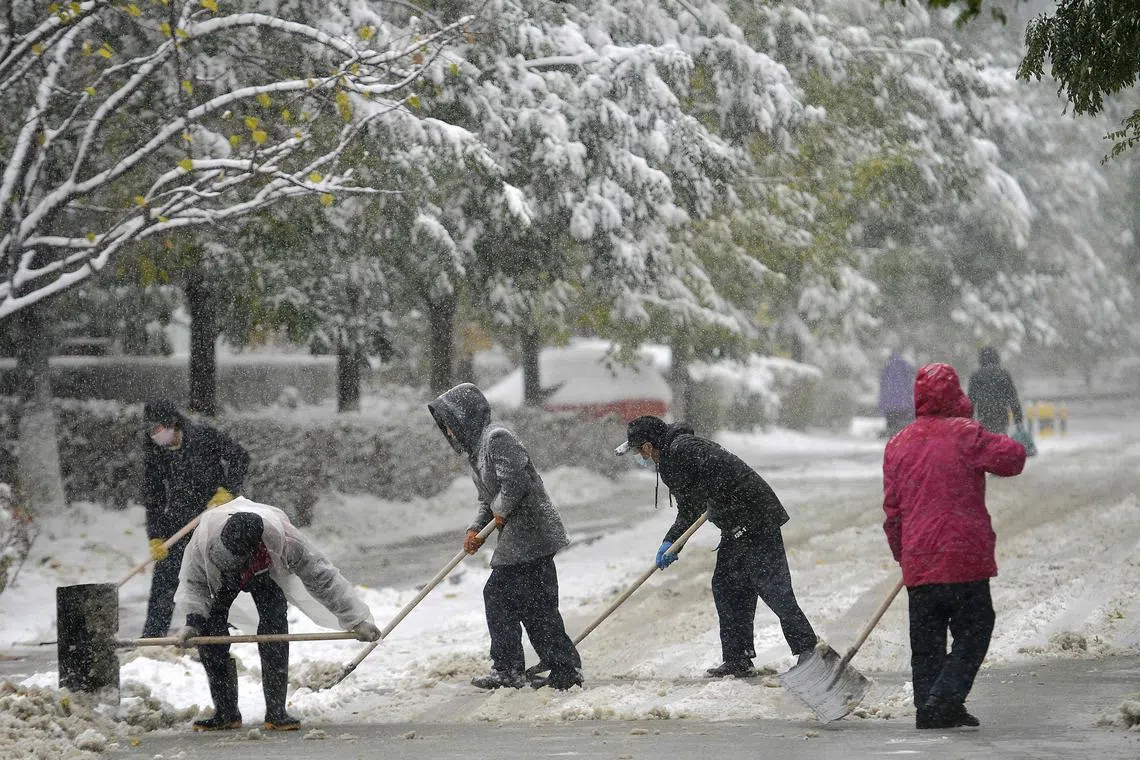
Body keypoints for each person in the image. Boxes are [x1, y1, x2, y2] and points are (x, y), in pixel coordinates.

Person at [615, 415, 819, 678]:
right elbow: (689, 508)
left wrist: (717, 497)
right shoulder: (670, 459)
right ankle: (737, 659)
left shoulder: (684, 447)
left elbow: (722, 470)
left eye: (637, 451)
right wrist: (672, 542)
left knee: (772, 587)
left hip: (756, 519)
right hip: (736, 526)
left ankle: (809, 651)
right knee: (727, 585)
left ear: (647, 446)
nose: (639, 457)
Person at [882, 363, 1026, 730]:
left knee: (926, 641)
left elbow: (893, 511)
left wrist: (905, 555)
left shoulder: (898, 444)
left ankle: (930, 706)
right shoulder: (967, 435)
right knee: (976, 628)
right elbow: (1012, 459)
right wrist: (976, 423)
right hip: (964, 558)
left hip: (921, 561)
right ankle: (944, 699)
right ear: (955, 394)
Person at [174, 497, 381, 731]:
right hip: (221, 582)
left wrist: (357, 619)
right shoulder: (203, 541)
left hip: (264, 574)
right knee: (210, 633)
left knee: (274, 629)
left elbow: (323, 578)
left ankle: (276, 712)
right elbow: (194, 584)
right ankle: (226, 713)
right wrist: (193, 621)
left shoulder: (286, 540)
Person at [427, 382, 583, 691]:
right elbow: (490, 499)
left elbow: (515, 482)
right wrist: (476, 529)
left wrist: (501, 509)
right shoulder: (477, 450)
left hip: (531, 534)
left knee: (499, 595)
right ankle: (562, 667)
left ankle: (512, 668)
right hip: (521, 537)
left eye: (450, 424)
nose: (449, 432)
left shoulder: (497, 439)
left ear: (465, 417)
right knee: (535, 605)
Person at [139, 399, 250, 638]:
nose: (154, 435)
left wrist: (227, 490)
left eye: (157, 429)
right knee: (165, 578)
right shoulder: (154, 452)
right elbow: (154, 496)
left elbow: (240, 457)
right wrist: (156, 536)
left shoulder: (203, 437)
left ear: (172, 424)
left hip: (213, 515)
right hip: (179, 519)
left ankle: (223, 630)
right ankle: (151, 638)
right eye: (150, 431)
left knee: (215, 576)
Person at [967, 346, 1023, 434]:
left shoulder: (976, 376)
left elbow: (971, 401)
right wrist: (1018, 420)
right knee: (1000, 442)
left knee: (986, 443)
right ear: (997, 358)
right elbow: (1013, 399)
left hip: (984, 417)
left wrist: (969, 420)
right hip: (1001, 417)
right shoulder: (1004, 374)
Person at [879, 350, 917, 437]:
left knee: (892, 423)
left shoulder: (888, 365)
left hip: (891, 403)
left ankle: (893, 436)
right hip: (903, 403)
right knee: (900, 424)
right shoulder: (905, 364)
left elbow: (884, 384)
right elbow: (910, 381)